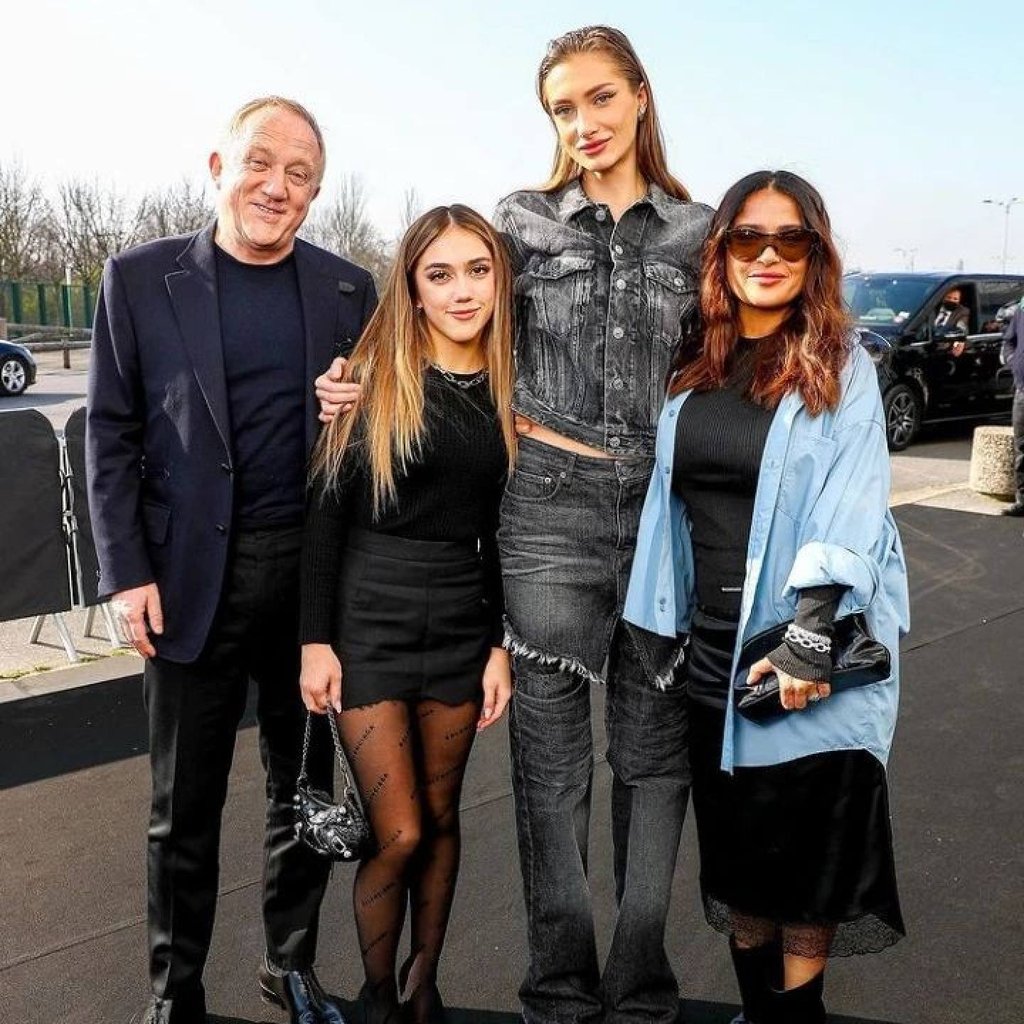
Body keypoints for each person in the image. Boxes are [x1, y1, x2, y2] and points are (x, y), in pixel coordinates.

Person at [86, 96, 377, 1024]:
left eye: (300, 176)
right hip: (185, 584)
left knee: (304, 792)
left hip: (309, 587)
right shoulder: (137, 280)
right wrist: (126, 571)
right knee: (184, 810)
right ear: (218, 167)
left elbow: (373, 439)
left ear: (315, 194)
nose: (276, 187)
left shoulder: (346, 292)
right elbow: (109, 433)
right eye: (261, 164)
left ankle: (289, 967)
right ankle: (176, 992)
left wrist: (359, 407)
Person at [625, 170, 909, 1024]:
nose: (770, 255)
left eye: (794, 240)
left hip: (800, 652)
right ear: (723, 250)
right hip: (714, 652)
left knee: (808, 875)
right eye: (750, 236)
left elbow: (854, 500)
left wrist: (812, 635)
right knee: (742, 869)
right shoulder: (694, 361)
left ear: (816, 255)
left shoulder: (841, 364)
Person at [491, 26, 712, 1024]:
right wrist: (352, 378)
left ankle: (638, 989)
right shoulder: (521, 222)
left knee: (654, 762)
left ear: (638, 97)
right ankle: (559, 991)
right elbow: (445, 322)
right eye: (559, 108)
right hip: (547, 511)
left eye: (595, 99)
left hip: (663, 520)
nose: (579, 123)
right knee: (549, 769)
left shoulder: (700, 233)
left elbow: (736, 370)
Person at [299, 205, 515, 1024]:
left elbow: (496, 530)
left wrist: (496, 645)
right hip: (369, 620)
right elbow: (325, 515)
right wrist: (314, 642)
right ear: (413, 288)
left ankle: (425, 988)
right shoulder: (368, 376)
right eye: (441, 274)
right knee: (398, 833)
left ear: (499, 278)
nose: (463, 291)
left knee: (443, 819)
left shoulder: (507, 382)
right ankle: (376, 996)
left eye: (478, 270)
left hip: (461, 620)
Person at [1001, 300, 1024, 516]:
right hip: (1022, 390)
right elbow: (1010, 340)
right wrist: (1013, 360)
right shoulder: (1022, 309)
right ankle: (1022, 500)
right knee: (1022, 447)